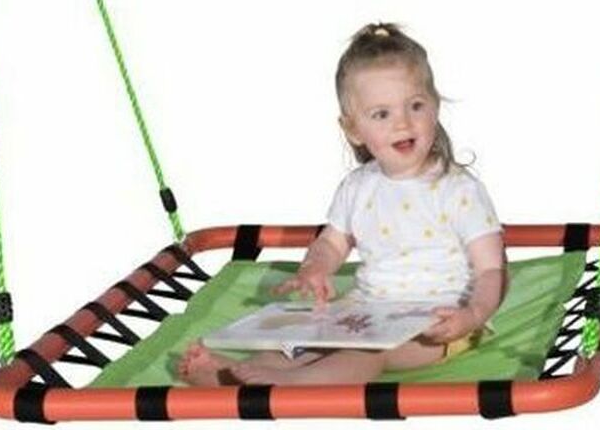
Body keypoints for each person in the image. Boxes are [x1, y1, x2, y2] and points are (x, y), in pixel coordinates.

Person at [178, 22, 508, 386]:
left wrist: (473, 315)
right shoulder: (358, 187)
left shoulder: (458, 190)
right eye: (381, 114)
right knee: (305, 338)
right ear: (353, 129)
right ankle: (229, 377)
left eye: (415, 106)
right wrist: (315, 267)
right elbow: (332, 243)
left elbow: (491, 270)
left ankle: (294, 385)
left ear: (435, 107)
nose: (402, 123)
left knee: (367, 351)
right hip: (368, 311)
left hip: (443, 323)